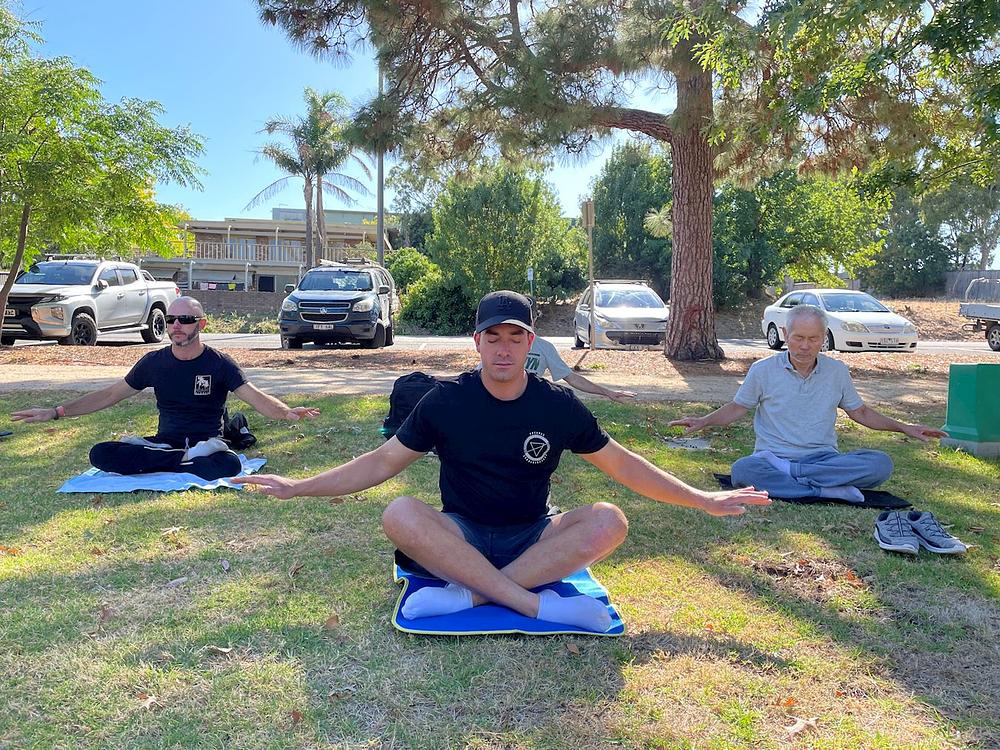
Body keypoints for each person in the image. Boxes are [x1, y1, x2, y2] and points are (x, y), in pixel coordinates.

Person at [235, 290, 770, 633]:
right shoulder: (445, 400)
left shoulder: (556, 404)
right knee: (398, 512)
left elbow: (624, 466)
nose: (504, 348)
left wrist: (703, 498)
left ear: (531, 343)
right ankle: (535, 605)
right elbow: (380, 464)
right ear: (478, 343)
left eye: (515, 337)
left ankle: (469, 594)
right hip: (461, 532)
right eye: (493, 337)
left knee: (609, 520)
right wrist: (300, 486)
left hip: (532, 533)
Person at [11, 296, 319, 480]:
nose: (176, 325)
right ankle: (179, 463)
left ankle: (178, 462)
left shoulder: (220, 363)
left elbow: (254, 397)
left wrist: (286, 412)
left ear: (201, 324)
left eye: (185, 319)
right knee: (100, 454)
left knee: (227, 463)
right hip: (164, 444)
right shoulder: (154, 362)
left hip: (207, 445)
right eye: (171, 319)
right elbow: (109, 395)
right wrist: (56, 411)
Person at [669, 304, 947, 502]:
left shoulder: (837, 372)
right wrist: (703, 421)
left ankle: (798, 479)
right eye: (798, 337)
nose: (805, 345)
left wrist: (905, 428)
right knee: (743, 470)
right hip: (772, 459)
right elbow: (738, 407)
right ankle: (827, 490)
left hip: (823, 459)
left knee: (881, 464)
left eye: (813, 338)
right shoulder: (763, 370)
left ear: (823, 339)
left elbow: (860, 412)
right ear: (785, 334)